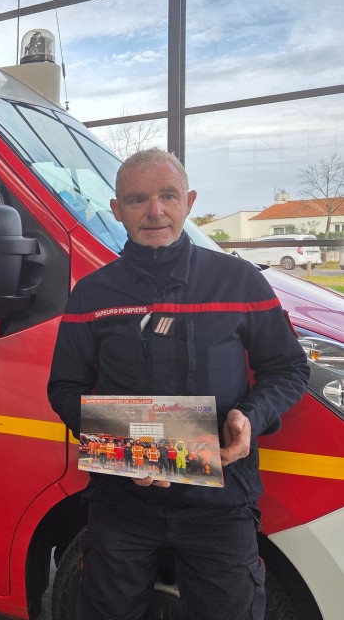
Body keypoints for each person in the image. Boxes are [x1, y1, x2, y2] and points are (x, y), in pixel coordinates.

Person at [47, 148, 309, 620]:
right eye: (137, 199)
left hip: (220, 502)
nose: (155, 211)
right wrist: (124, 449)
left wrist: (250, 416)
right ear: (116, 210)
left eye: (168, 196)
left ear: (189, 202)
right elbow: (64, 387)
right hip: (121, 502)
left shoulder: (239, 282)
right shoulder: (91, 295)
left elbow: (288, 368)